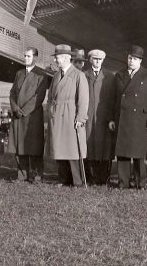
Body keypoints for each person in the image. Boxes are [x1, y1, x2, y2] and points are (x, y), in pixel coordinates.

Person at [110, 45, 147, 189]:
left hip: (140, 120)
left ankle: (140, 183)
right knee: (123, 152)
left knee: (138, 154)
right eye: (130, 58)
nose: (132, 61)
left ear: (140, 61)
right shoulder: (119, 75)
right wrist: (112, 118)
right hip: (122, 118)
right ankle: (123, 182)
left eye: (135, 59)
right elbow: (114, 99)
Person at [48, 45, 89, 187]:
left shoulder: (78, 75)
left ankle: (77, 181)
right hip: (57, 116)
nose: (55, 60)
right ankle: (63, 179)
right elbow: (50, 97)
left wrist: (80, 118)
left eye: (57, 57)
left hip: (71, 116)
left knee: (72, 150)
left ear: (66, 58)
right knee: (59, 148)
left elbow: (83, 99)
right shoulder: (56, 75)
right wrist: (51, 111)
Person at [9, 47, 49, 183]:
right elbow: (12, 92)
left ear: (35, 58)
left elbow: (39, 97)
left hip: (32, 117)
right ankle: (22, 175)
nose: (25, 58)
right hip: (18, 116)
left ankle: (37, 175)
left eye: (28, 56)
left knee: (34, 147)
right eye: (25, 56)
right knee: (19, 145)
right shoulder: (19, 73)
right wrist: (15, 108)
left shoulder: (41, 75)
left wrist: (23, 111)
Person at [83, 49, 116, 186]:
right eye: (94, 59)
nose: (97, 61)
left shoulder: (110, 76)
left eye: (100, 59)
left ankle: (103, 178)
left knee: (104, 148)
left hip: (104, 119)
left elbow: (114, 99)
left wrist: (112, 118)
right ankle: (90, 177)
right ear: (90, 60)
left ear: (103, 60)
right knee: (89, 147)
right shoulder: (83, 75)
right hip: (88, 118)